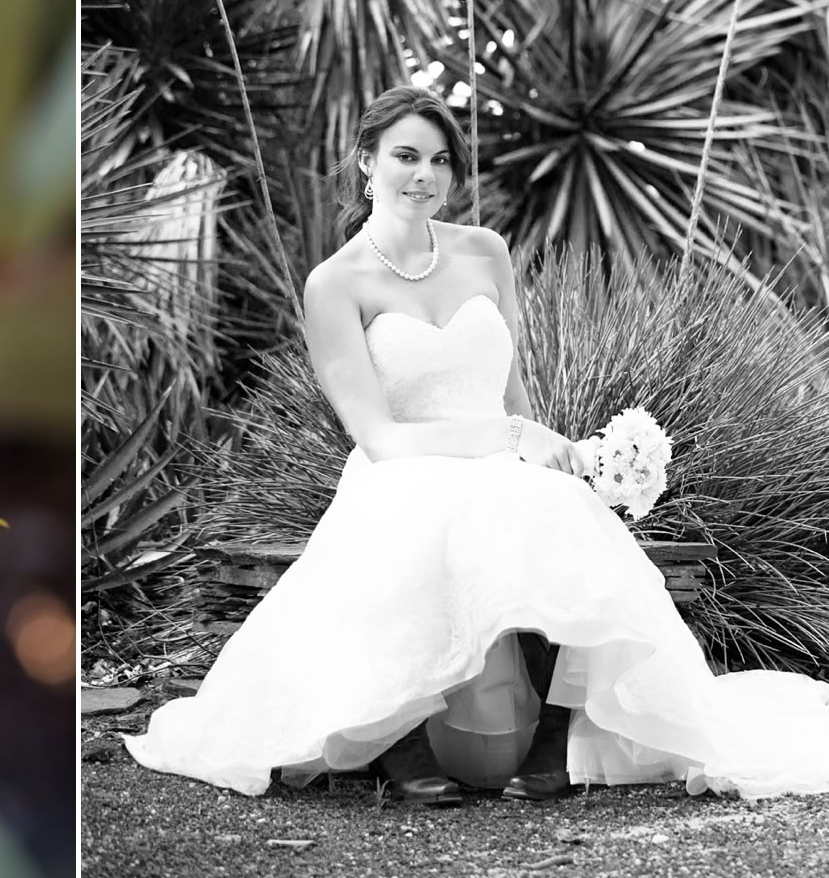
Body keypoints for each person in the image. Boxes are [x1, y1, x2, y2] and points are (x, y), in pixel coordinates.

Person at [123, 85, 829, 804]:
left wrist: (560, 454)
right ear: (367, 161)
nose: (423, 175)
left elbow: (512, 387)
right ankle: (402, 742)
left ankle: (554, 736)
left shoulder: (485, 252)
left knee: (551, 509)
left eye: (439, 160)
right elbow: (376, 434)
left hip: (499, 456)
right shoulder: (334, 283)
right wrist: (506, 434)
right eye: (405, 156)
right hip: (400, 465)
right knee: (412, 512)